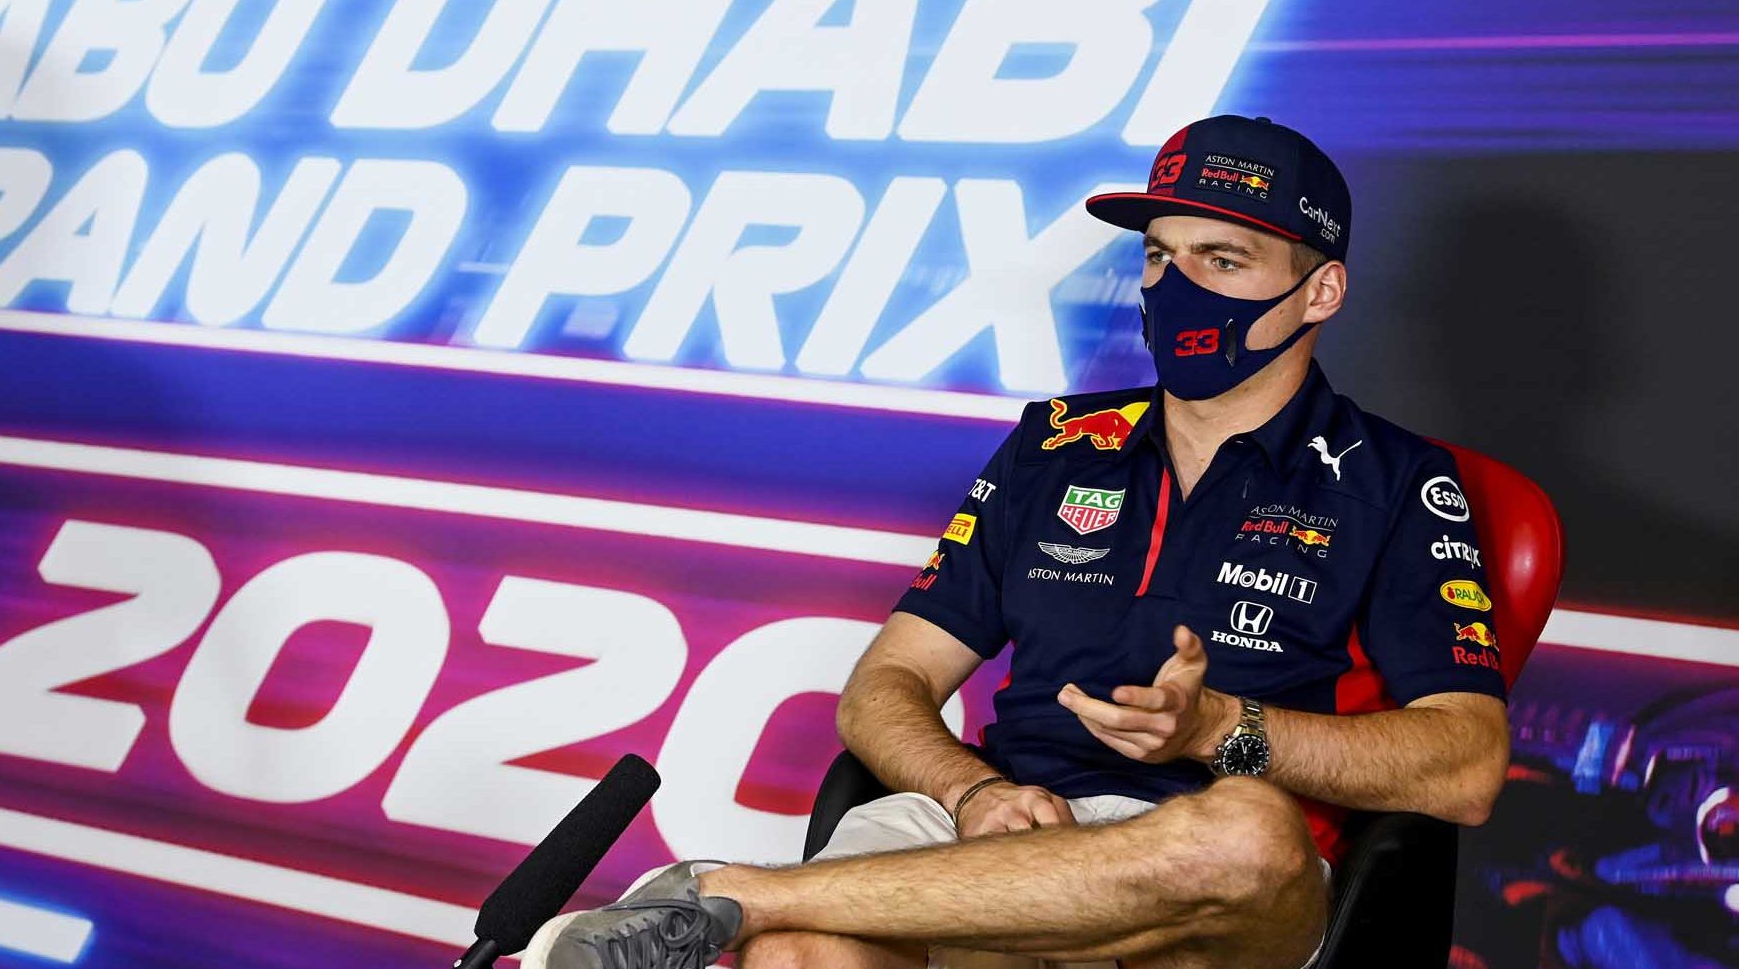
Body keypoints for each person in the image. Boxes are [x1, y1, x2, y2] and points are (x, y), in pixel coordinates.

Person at [522, 114, 1511, 969]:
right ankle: (761, 907)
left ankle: (730, 890)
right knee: (800, 952)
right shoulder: (1053, 445)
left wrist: (1218, 728)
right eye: (1161, 256)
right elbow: (885, 684)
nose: (1176, 288)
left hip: (1201, 885)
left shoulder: (1398, 481)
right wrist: (974, 789)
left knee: (1247, 830)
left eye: (1224, 260)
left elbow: (1466, 768)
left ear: (1321, 291)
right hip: (995, 833)